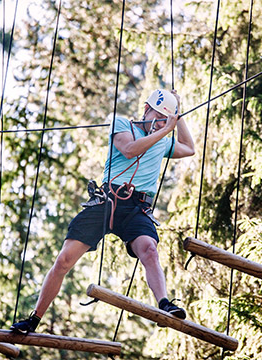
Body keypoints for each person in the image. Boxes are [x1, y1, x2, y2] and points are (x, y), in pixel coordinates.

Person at [11, 89, 195, 333]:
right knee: (64, 260)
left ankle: (164, 304)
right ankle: (34, 319)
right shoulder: (122, 124)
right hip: (107, 201)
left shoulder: (162, 140)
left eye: (164, 119)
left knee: (150, 250)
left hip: (136, 208)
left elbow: (189, 148)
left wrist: (177, 115)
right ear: (146, 109)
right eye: (158, 116)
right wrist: (164, 130)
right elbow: (129, 149)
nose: (160, 123)